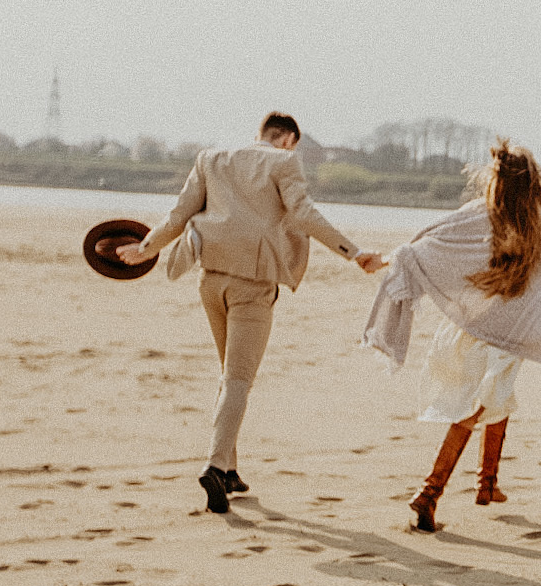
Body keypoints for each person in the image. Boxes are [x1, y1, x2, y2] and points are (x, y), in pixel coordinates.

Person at [119, 112, 385, 512]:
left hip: (210, 279)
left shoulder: (211, 158)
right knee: (239, 379)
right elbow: (305, 214)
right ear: (289, 139)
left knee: (229, 375)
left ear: (260, 133)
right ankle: (214, 465)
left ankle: (229, 469)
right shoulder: (284, 161)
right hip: (253, 284)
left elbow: (179, 214)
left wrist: (146, 249)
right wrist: (354, 253)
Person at [363, 140, 541, 532]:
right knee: (474, 409)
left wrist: (384, 259)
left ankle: (487, 484)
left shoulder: (479, 214)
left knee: (497, 397)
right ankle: (429, 493)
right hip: (510, 334)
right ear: (534, 183)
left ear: (496, 181)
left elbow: (423, 248)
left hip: (474, 327)